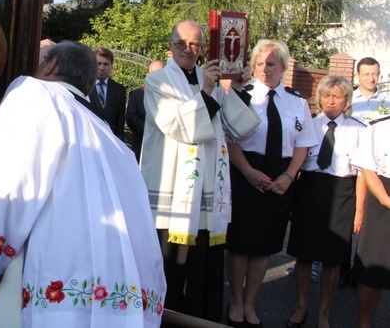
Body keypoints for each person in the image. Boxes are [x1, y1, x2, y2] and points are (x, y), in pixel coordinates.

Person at [0, 41, 166, 327]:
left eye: (38, 59)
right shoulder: (109, 136)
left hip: (56, 266)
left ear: (50, 66)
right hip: (120, 282)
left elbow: (11, 181)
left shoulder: (33, 93)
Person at [139, 21, 260, 324]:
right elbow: (178, 128)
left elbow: (233, 129)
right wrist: (206, 91)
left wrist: (241, 91)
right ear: (170, 45)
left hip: (207, 199)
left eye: (195, 44)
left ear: (203, 48)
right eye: (181, 43)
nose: (187, 50)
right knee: (173, 273)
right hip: (173, 199)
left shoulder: (213, 83)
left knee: (204, 274)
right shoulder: (159, 82)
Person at [226, 39, 318, 327]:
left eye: (271, 63)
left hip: (280, 176)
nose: (265, 69)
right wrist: (248, 171)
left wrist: (289, 176)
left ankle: (251, 303)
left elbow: (302, 144)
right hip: (245, 172)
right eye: (260, 63)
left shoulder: (298, 102)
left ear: (283, 67)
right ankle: (236, 302)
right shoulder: (243, 96)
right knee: (241, 243)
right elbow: (229, 138)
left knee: (265, 245)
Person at [285, 75, 366, 328]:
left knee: (333, 259)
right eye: (326, 96)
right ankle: (301, 308)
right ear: (319, 99)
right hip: (310, 188)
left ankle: (323, 313)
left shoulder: (359, 129)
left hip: (342, 191)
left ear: (346, 100)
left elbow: (363, 174)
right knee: (304, 255)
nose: (331, 101)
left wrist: (359, 211)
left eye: (337, 96)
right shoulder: (307, 124)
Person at [351, 114, 390, 328]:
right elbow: (366, 166)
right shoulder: (379, 128)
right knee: (372, 272)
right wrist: (385, 199)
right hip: (382, 195)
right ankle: (364, 324)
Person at [126, 60, 164, 160]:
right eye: (153, 73)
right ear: (147, 75)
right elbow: (131, 118)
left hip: (164, 146)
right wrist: (150, 130)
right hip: (141, 144)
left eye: (160, 73)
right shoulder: (137, 95)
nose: (156, 76)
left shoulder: (171, 96)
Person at [87, 47, 127, 139]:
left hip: (111, 139)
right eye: (98, 64)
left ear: (111, 66)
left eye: (106, 64)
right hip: (90, 138)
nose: (102, 68)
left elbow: (120, 121)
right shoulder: (84, 87)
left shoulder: (119, 90)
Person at [352, 57, 387, 124]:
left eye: (375, 74)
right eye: (366, 74)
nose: (371, 79)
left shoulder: (387, 101)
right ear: (357, 75)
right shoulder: (347, 100)